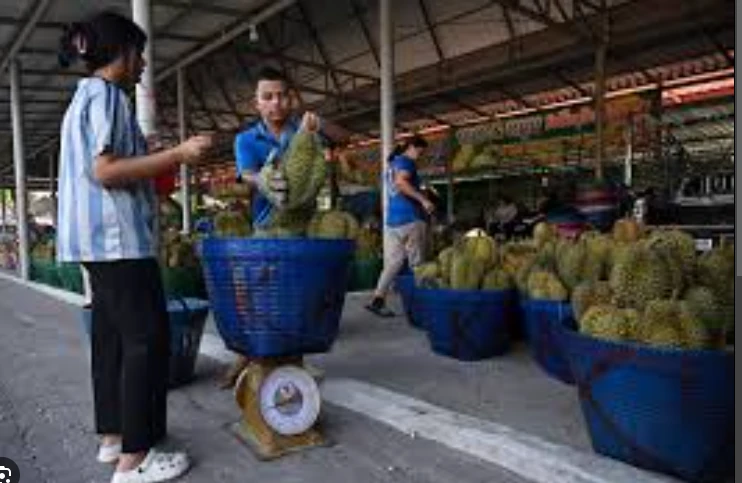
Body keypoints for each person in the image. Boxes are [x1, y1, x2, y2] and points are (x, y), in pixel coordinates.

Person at [56, 12, 213, 483]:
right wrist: (179, 154)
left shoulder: (82, 98)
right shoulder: (108, 96)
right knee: (145, 340)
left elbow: (107, 165)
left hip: (93, 241)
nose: (143, 63)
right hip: (118, 240)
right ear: (121, 54)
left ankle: (113, 439)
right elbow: (105, 171)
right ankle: (136, 460)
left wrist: (151, 155)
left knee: (110, 340)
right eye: (139, 53)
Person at [220, 67, 347, 388]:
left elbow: (344, 138)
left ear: (291, 99)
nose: (276, 102)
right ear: (257, 104)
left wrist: (320, 124)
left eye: (281, 95)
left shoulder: (303, 132)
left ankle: (295, 362)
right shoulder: (247, 139)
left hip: (303, 231)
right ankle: (250, 357)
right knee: (261, 303)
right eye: (268, 97)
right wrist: (259, 179)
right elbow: (246, 172)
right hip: (266, 231)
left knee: (298, 301)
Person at [366, 136, 435, 317]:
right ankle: (422, 306)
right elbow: (401, 182)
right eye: (419, 152)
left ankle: (377, 300)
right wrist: (424, 200)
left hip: (392, 221)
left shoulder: (390, 165)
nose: (419, 156)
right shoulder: (406, 161)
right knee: (417, 263)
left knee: (393, 263)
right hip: (410, 218)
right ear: (411, 147)